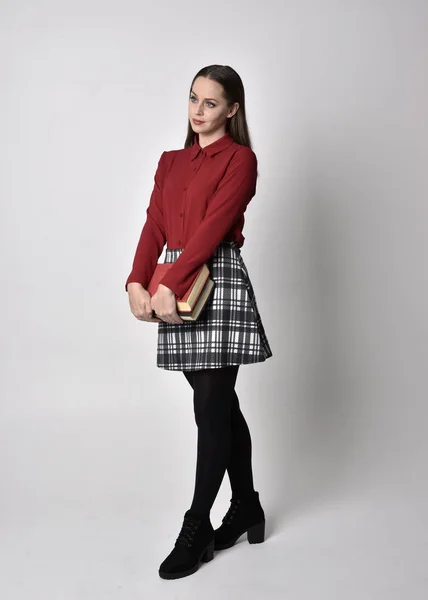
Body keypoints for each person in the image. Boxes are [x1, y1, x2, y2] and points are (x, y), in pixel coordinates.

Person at [125, 64, 273, 580]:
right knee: (220, 405)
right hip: (173, 283)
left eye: (210, 103)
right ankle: (247, 506)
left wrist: (170, 281)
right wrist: (136, 281)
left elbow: (212, 229)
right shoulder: (170, 162)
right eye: (193, 99)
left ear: (232, 110)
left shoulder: (240, 159)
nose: (198, 110)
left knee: (211, 405)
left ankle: (197, 526)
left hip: (214, 277)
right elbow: (155, 224)